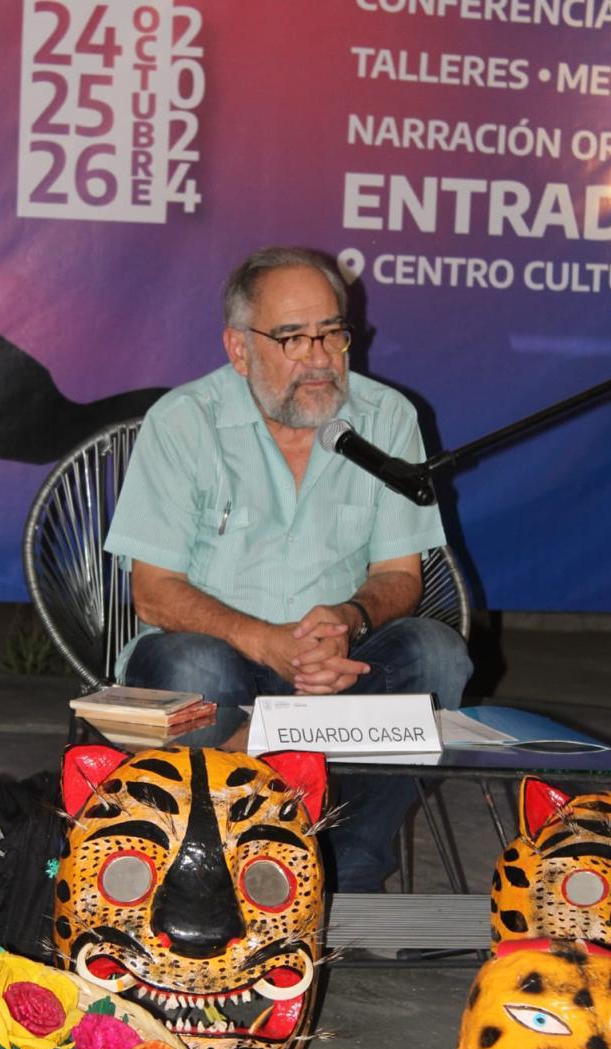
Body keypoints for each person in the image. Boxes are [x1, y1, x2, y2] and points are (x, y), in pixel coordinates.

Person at [105, 245, 472, 891]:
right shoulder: (185, 422)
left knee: (437, 656)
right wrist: (266, 643)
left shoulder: (386, 418)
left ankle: (341, 869)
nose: (320, 359)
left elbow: (398, 574)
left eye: (332, 333)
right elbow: (153, 593)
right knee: (191, 669)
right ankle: (207, 864)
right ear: (239, 348)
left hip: (337, 665)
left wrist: (348, 621)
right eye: (293, 339)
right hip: (217, 658)